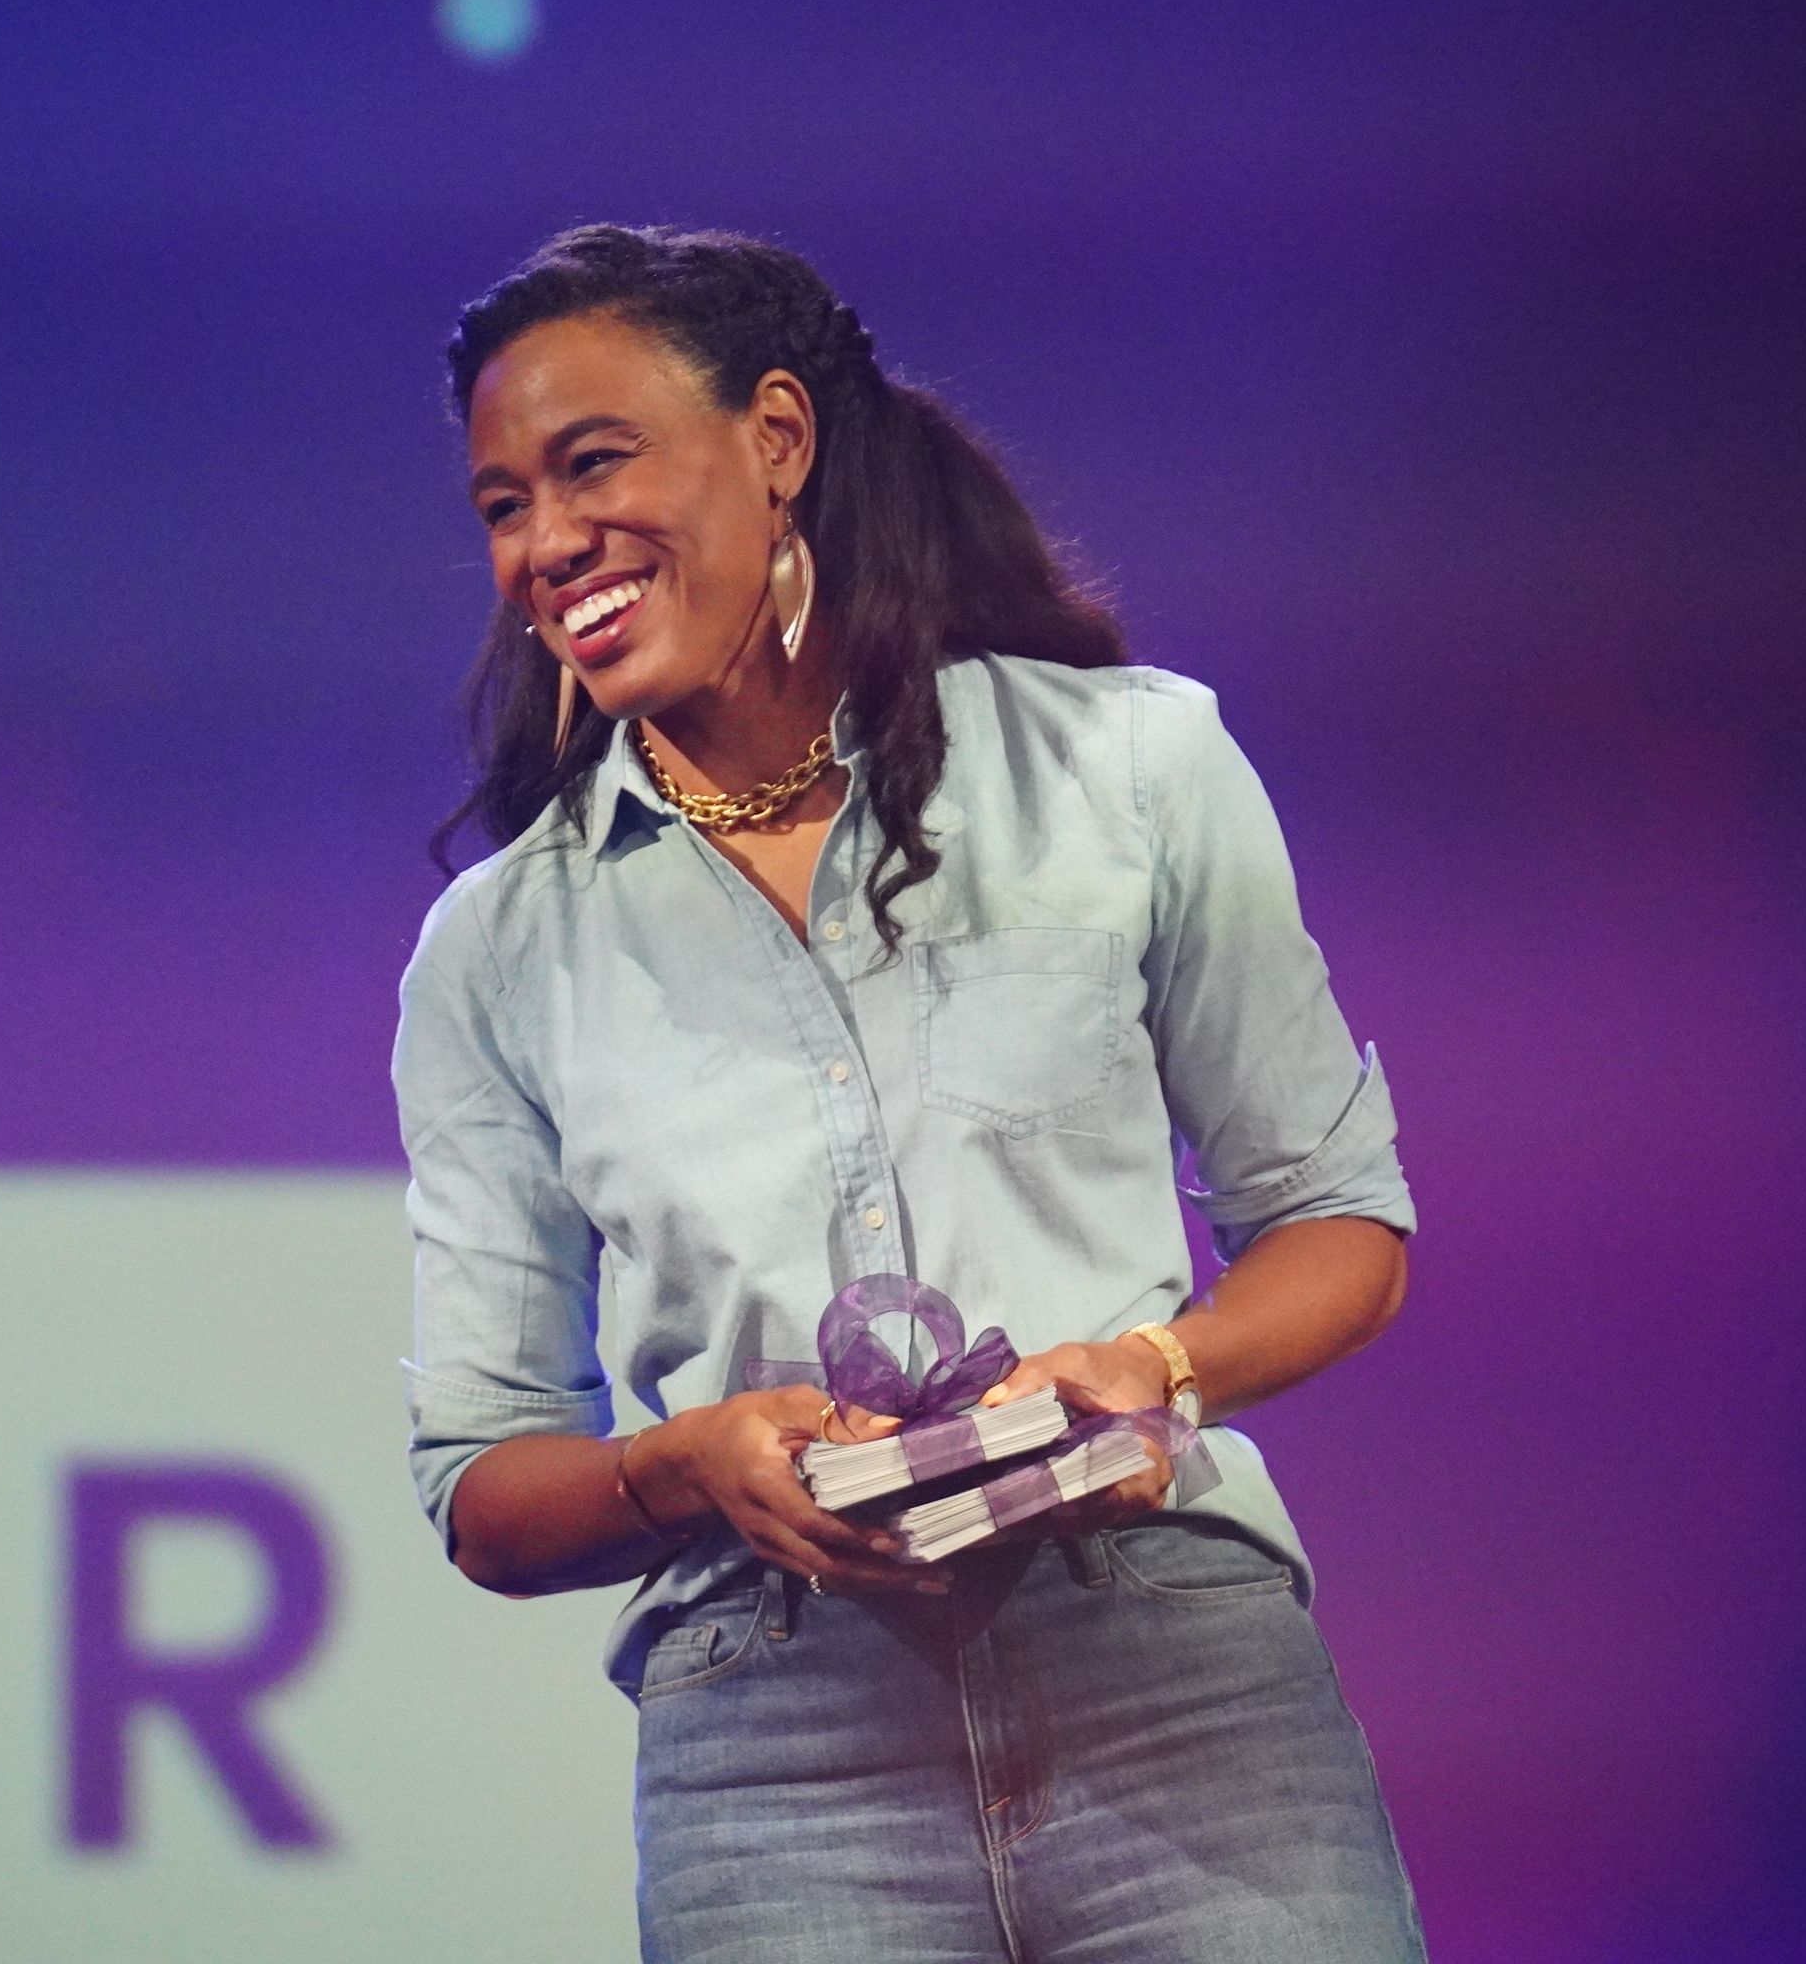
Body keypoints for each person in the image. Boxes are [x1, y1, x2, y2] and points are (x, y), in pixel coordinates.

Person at [395, 224, 1426, 1963]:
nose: (547, 542)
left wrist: (1150, 1370)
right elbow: (486, 1483)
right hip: (775, 1750)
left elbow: (1343, 1228)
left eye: (591, 465)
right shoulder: (501, 950)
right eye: (505, 504)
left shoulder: (1131, 769)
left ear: (776, 439)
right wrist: (695, 1463)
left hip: (1177, 1681)